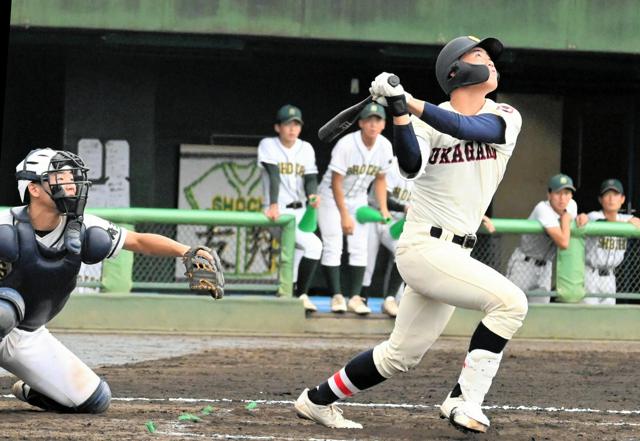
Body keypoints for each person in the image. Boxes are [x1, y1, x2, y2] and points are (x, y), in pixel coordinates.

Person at [294, 35, 526, 434]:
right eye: (479, 54)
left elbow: (468, 126)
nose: (490, 60)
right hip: (424, 246)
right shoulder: (421, 122)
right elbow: (410, 165)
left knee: (399, 356)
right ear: (456, 70)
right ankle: (464, 399)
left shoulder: (505, 114)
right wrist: (401, 113)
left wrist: (407, 101)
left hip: (457, 254)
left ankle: (316, 400)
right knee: (511, 303)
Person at [0, 148, 220, 414]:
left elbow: (139, 241)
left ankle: (34, 387)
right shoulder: (5, 223)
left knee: (95, 400)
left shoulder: (82, 226)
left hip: (27, 335)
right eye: (60, 177)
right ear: (34, 189)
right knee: (4, 311)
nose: (71, 184)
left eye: (71, 176)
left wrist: (185, 251)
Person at [317, 102, 393, 315]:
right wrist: (344, 215)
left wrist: (384, 208)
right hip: (331, 197)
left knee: (360, 248)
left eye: (377, 120)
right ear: (360, 123)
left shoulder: (385, 146)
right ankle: (337, 296)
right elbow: (336, 182)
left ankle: (355, 297)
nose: (372, 124)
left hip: (358, 199)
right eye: (368, 120)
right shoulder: (346, 144)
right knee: (333, 245)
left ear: (384, 124)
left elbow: (380, 179)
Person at [258, 105, 322, 312]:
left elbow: (310, 178)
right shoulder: (268, 144)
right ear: (278, 127)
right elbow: (273, 174)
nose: (292, 128)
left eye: (296, 124)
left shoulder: (306, 148)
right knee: (313, 246)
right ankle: (301, 294)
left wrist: (313, 194)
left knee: (299, 251)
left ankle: (287, 292)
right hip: (277, 211)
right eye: (287, 124)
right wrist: (274, 204)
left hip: (301, 210)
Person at [506, 174, 578, 303]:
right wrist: (566, 219)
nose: (562, 198)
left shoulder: (572, 205)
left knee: (541, 310)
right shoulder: (543, 208)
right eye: (558, 193)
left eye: (567, 193)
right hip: (525, 263)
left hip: (546, 267)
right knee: (511, 305)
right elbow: (563, 242)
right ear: (549, 195)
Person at [361, 159, 413, 317]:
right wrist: (404, 207)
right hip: (376, 214)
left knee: (403, 251)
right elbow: (383, 197)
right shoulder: (393, 164)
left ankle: (391, 300)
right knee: (367, 260)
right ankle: (361, 298)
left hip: (397, 222)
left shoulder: (425, 171)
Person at [576, 179, 640, 305]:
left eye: (615, 195)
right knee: (588, 315)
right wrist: (628, 224)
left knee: (608, 315)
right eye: (607, 194)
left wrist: (635, 221)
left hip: (610, 276)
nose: (611, 199)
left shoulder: (626, 219)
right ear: (600, 199)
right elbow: (603, 223)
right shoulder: (594, 216)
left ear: (622, 199)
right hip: (590, 274)